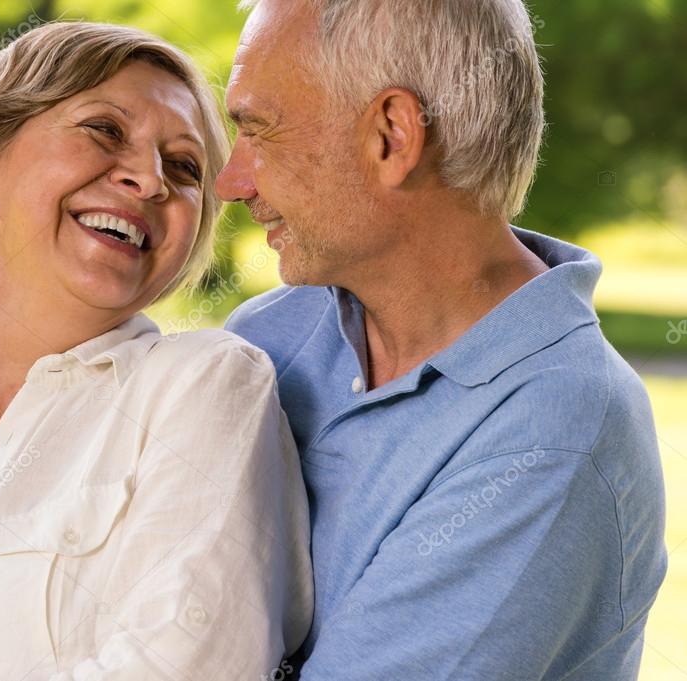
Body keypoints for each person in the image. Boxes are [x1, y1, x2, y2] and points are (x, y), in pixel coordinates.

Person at [0, 22, 312, 681]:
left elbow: (188, 665)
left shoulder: (205, 388)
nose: (150, 180)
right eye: (104, 130)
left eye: (183, 168)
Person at [220, 1, 666, 679]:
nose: (232, 182)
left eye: (258, 131)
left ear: (392, 136)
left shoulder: (558, 428)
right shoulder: (265, 337)